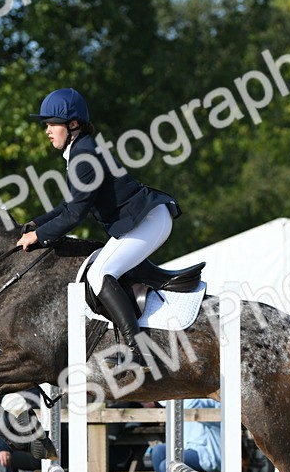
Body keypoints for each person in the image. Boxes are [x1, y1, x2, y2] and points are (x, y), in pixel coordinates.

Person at [17, 88, 181, 371]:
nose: (47, 131)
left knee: (99, 274)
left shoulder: (83, 155)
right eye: (46, 125)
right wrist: (37, 223)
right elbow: (70, 205)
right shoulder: (81, 150)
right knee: (102, 271)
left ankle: (139, 351)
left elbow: (75, 215)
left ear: (73, 124)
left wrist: (39, 236)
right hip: (144, 219)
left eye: (52, 124)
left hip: (149, 221)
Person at [148, 398, 221, 472]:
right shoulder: (185, 400)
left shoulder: (211, 401)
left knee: (167, 465)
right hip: (188, 447)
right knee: (158, 451)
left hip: (208, 453)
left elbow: (192, 404)